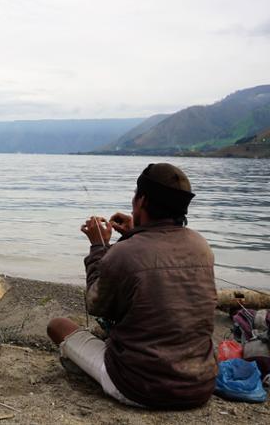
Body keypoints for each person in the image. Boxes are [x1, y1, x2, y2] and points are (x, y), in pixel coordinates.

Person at [47, 163, 217, 409]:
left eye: (136, 195)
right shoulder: (201, 246)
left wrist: (98, 248)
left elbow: (95, 304)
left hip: (138, 388)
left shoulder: (125, 253)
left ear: (142, 201)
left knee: (58, 326)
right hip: (200, 386)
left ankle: (92, 372)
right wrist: (135, 232)